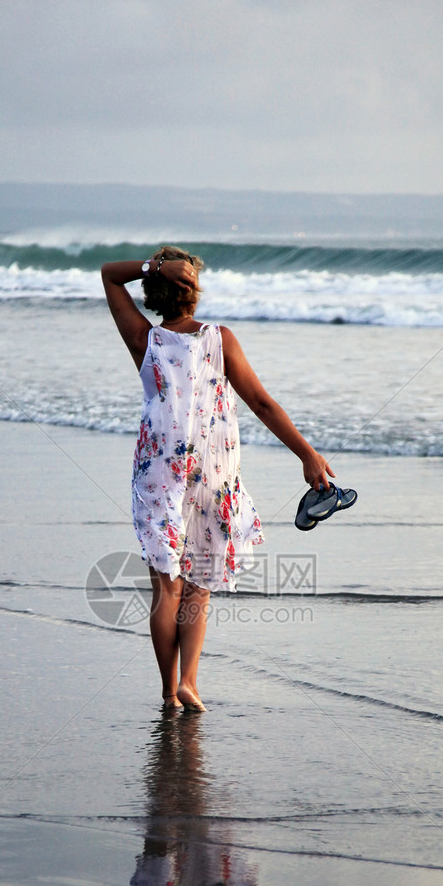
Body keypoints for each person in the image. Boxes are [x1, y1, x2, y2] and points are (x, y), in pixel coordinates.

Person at [101, 246, 333, 711]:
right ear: (194, 291)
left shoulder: (144, 340)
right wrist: (306, 455)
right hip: (214, 472)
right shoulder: (219, 339)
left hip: (160, 472)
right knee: (199, 584)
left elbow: (109, 275)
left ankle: (169, 691)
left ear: (153, 291)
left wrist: (150, 266)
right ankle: (190, 681)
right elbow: (262, 404)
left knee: (165, 586)